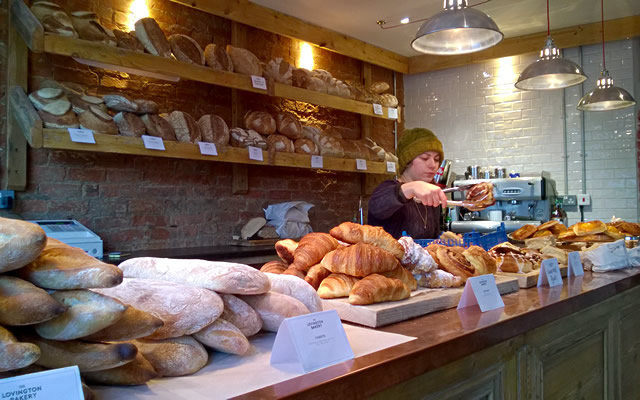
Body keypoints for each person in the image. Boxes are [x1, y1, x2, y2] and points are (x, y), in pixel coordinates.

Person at [368, 128, 447, 239]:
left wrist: (441, 238)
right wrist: (411, 187)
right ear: (407, 161)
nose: (433, 165)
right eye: (425, 158)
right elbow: (376, 206)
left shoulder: (430, 193)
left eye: (437, 159)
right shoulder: (387, 188)